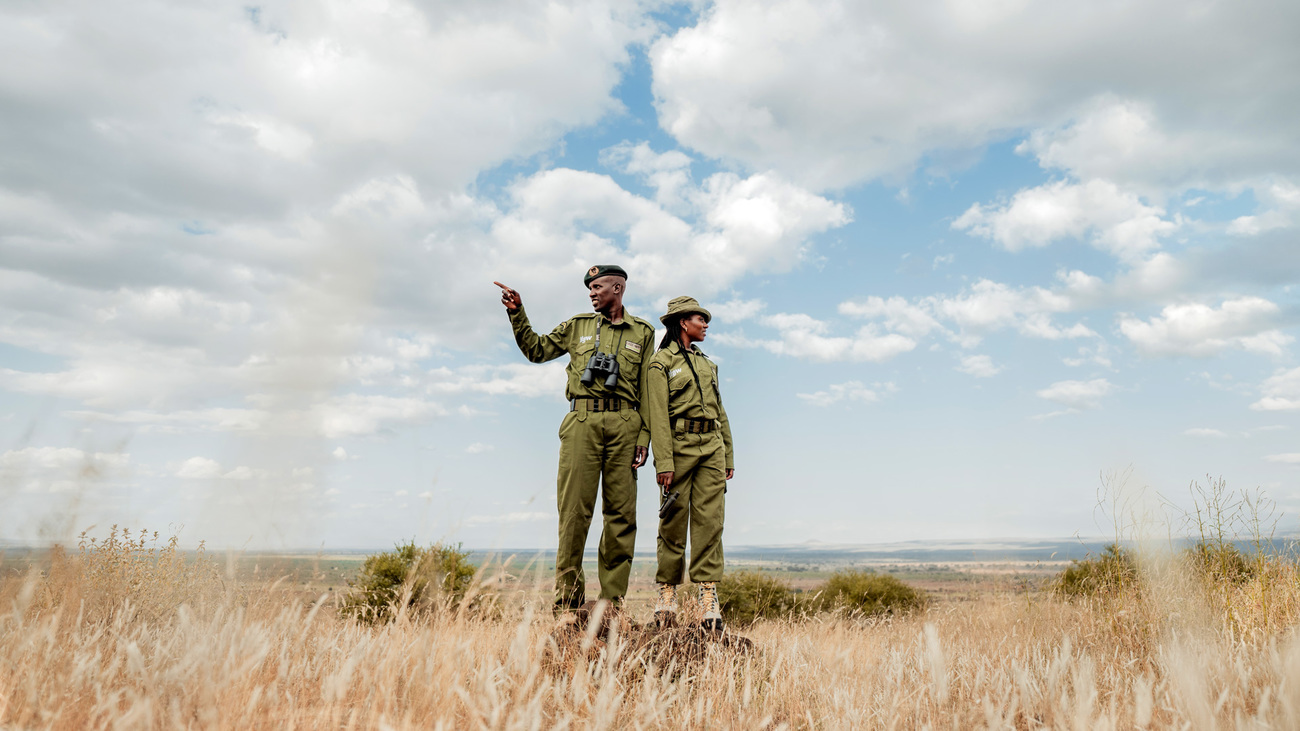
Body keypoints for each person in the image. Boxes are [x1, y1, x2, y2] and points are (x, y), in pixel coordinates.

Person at [494, 266, 656, 613]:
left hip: (625, 422)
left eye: (598, 287)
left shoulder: (643, 332)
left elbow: (647, 390)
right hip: (581, 421)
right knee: (573, 515)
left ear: (618, 287)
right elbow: (536, 350)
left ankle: (612, 603)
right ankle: (567, 604)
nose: (592, 293)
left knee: (621, 516)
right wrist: (516, 313)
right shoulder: (577, 326)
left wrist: (644, 437)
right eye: (590, 288)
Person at [645, 296, 734, 631]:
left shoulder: (708, 364)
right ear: (683, 322)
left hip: (712, 446)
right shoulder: (660, 363)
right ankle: (667, 592)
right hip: (679, 447)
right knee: (672, 521)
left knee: (711, 521)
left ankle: (707, 595)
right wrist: (663, 462)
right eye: (701, 319)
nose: (706, 324)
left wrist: (728, 452)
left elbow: (720, 411)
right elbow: (657, 416)